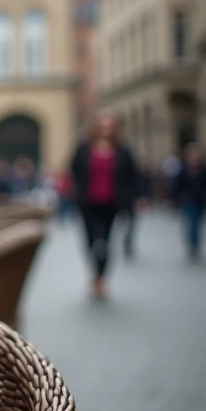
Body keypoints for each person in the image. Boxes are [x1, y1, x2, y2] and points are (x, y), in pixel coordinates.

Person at [70, 111, 139, 300]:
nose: (105, 129)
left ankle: (100, 278)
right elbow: (73, 170)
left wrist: (135, 198)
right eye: (102, 125)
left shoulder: (123, 150)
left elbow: (131, 176)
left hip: (112, 202)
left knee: (106, 241)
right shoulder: (84, 148)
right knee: (91, 241)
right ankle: (95, 272)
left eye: (109, 126)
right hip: (88, 202)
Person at [171, 142, 206, 260]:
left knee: (198, 224)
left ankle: (195, 243)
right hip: (188, 201)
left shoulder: (205, 170)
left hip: (201, 201)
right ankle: (192, 245)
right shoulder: (183, 170)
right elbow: (176, 186)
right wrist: (179, 198)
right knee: (192, 221)